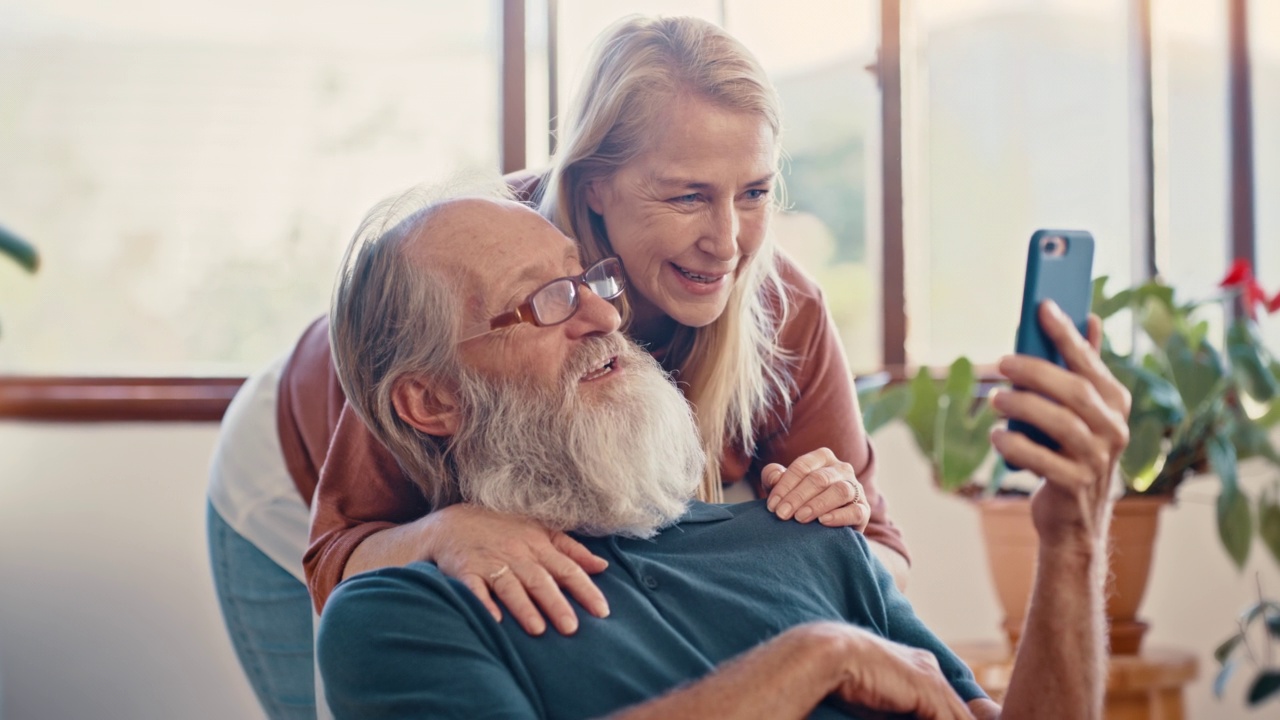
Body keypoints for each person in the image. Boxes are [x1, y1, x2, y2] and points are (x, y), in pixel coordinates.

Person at [207, 14, 907, 718]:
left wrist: (832, 517)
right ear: (594, 184)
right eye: (687, 195)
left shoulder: (784, 312)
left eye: (754, 192)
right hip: (286, 476)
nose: (727, 244)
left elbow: (877, 564)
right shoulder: (462, 289)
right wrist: (440, 531)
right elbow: (337, 560)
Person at [316, 186, 1129, 719]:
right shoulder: (402, 619)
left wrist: (1074, 538)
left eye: (586, 281)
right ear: (431, 401)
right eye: (544, 302)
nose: (603, 319)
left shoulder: (809, 540)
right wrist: (815, 658)